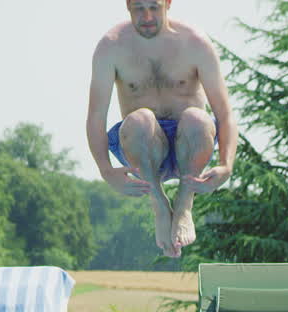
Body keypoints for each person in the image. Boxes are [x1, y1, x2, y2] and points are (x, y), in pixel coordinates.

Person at [87, 0, 238, 258]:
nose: (147, 16)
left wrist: (227, 165)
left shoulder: (195, 43)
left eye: (154, 7)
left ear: (168, 3)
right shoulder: (111, 46)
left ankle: (184, 205)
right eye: (139, 8)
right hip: (143, 147)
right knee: (141, 120)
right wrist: (105, 170)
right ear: (127, 5)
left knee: (197, 118)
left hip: (190, 145)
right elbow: (95, 116)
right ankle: (158, 203)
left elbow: (225, 114)